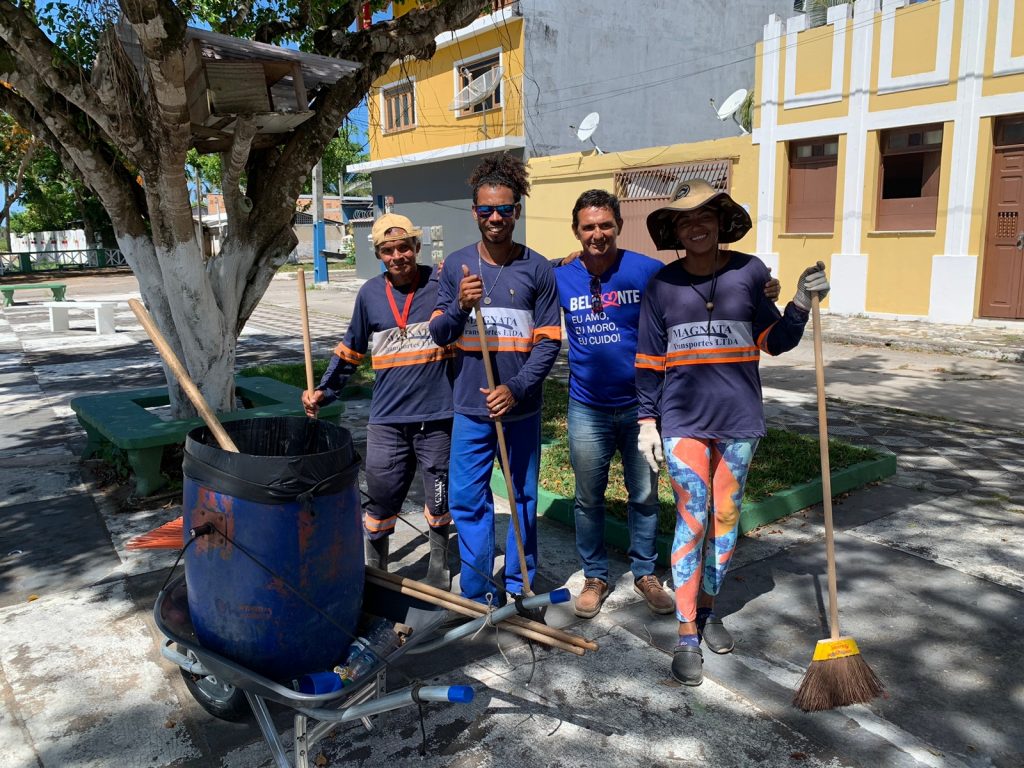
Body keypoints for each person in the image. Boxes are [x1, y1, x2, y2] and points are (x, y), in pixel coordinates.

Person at [635, 178, 829, 686]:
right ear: (675, 230)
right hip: (682, 422)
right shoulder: (662, 286)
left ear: (721, 223)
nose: (696, 226)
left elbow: (775, 340)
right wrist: (646, 421)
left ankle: (710, 610)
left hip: (738, 420)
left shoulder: (750, 272)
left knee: (725, 519)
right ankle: (684, 632)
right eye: (685, 219)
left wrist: (803, 305)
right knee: (691, 520)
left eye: (705, 216)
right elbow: (649, 361)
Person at [554, 189, 780, 619]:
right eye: (588, 227)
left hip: (648, 406)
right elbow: (525, 275)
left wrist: (766, 289)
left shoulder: (651, 273)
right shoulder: (560, 274)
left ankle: (645, 573)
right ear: (576, 231)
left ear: (619, 225)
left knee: (644, 494)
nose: (597, 234)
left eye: (605, 225)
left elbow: (696, 287)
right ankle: (595, 576)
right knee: (588, 497)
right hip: (587, 405)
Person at [429, 153, 561, 604]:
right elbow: (440, 334)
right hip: (469, 406)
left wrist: (516, 387)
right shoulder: (456, 267)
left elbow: (548, 343)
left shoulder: (537, 268)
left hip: (521, 407)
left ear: (517, 211)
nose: (496, 218)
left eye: (505, 209)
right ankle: (480, 591)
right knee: (468, 500)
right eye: (487, 210)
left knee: (523, 498)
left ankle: (519, 584)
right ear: (474, 213)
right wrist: (459, 306)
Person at [302, 213, 454, 588]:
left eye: (404, 247)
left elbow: (495, 276)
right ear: (379, 255)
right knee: (382, 495)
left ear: (417, 248)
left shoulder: (441, 284)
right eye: (388, 250)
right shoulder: (370, 294)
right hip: (387, 418)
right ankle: (378, 568)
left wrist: (557, 264)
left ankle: (438, 562)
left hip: (438, 416)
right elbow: (351, 349)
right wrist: (325, 389)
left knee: (439, 493)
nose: (398, 256)